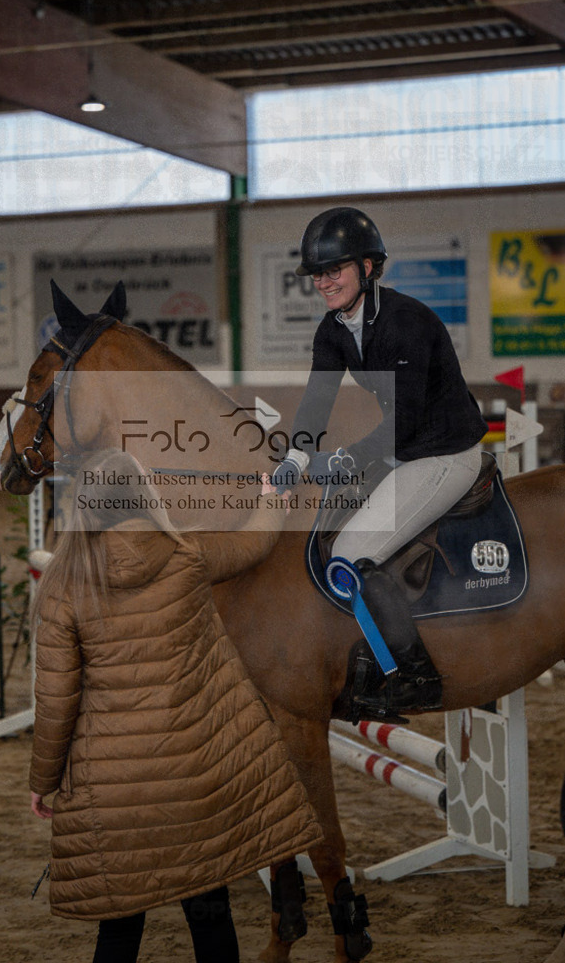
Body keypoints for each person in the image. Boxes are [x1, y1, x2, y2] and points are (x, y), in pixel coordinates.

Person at [28, 449, 322, 963]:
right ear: (142, 497)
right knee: (211, 916)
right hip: (193, 778)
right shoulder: (186, 555)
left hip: (114, 789)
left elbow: (55, 701)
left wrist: (43, 781)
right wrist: (275, 492)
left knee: (117, 934)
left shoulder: (62, 585)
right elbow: (256, 542)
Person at [272, 206, 487, 716]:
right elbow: (316, 401)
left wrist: (345, 460)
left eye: (335, 270)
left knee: (350, 553)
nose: (325, 282)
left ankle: (414, 674)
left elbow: (405, 422)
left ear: (368, 268)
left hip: (443, 454)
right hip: (402, 453)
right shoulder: (334, 329)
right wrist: (297, 455)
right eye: (318, 274)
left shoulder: (405, 322)